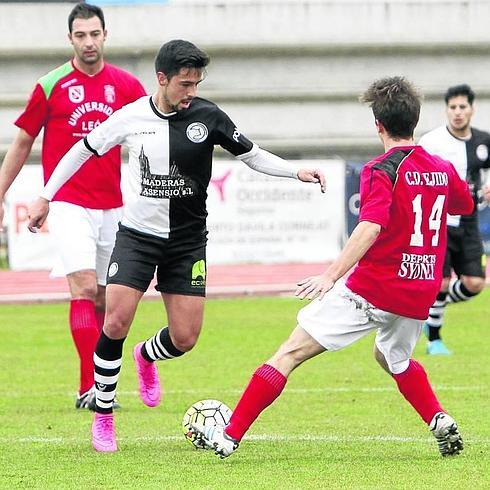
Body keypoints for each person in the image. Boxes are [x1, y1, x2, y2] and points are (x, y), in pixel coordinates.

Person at [27, 39, 326, 453]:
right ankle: (104, 415)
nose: (192, 92)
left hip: (186, 242)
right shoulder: (130, 118)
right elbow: (81, 150)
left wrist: (297, 172)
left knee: (185, 338)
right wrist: (46, 196)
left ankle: (146, 356)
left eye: (197, 83)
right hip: (137, 237)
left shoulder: (208, 116)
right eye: (185, 84)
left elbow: (252, 155)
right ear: (162, 79)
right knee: (114, 321)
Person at [190, 76, 473, 459]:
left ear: (378, 125)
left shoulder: (381, 169)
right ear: (415, 119)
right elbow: (463, 206)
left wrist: (330, 275)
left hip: (375, 287)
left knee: (289, 353)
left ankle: (229, 435)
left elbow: (370, 226)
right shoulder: (440, 166)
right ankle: (438, 419)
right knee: (393, 358)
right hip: (419, 289)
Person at [0, 3, 146, 409]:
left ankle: (99, 379)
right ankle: (91, 389)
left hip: (114, 207)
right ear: (70, 39)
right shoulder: (50, 85)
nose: (88, 42)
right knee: (82, 289)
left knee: (106, 298)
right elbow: (23, 141)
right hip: (66, 203)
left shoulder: (128, 87)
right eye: (80, 35)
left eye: (94, 34)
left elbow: (152, 134)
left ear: (105, 35)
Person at [418, 84, 490, 355]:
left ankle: (433, 309)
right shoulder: (431, 141)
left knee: (474, 283)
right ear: (446, 110)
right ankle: (434, 340)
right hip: (439, 220)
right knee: (441, 282)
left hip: (469, 221)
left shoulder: (483, 140)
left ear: (472, 109)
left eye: (462, 107)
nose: (458, 113)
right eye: (453, 107)